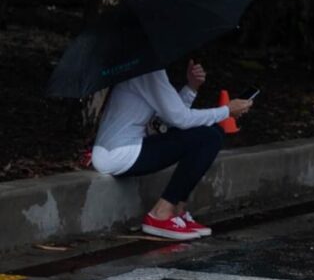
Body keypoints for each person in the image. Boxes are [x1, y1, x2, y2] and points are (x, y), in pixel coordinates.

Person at [91, 61, 253, 240]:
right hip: (120, 154)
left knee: (213, 132)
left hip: (121, 151)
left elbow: (166, 119)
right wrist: (226, 110)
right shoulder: (148, 70)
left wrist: (192, 87)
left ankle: (176, 210)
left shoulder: (143, 68)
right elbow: (180, 118)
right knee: (209, 137)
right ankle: (161, 213)